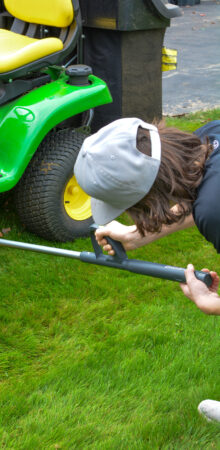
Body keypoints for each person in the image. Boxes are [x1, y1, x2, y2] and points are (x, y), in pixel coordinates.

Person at [74, 117, 220, 422]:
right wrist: (134, 235)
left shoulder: (214, 211)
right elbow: (200, 197)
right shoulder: (209, 137)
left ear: (146, 197)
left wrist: (209, 303)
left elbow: (207, 206)